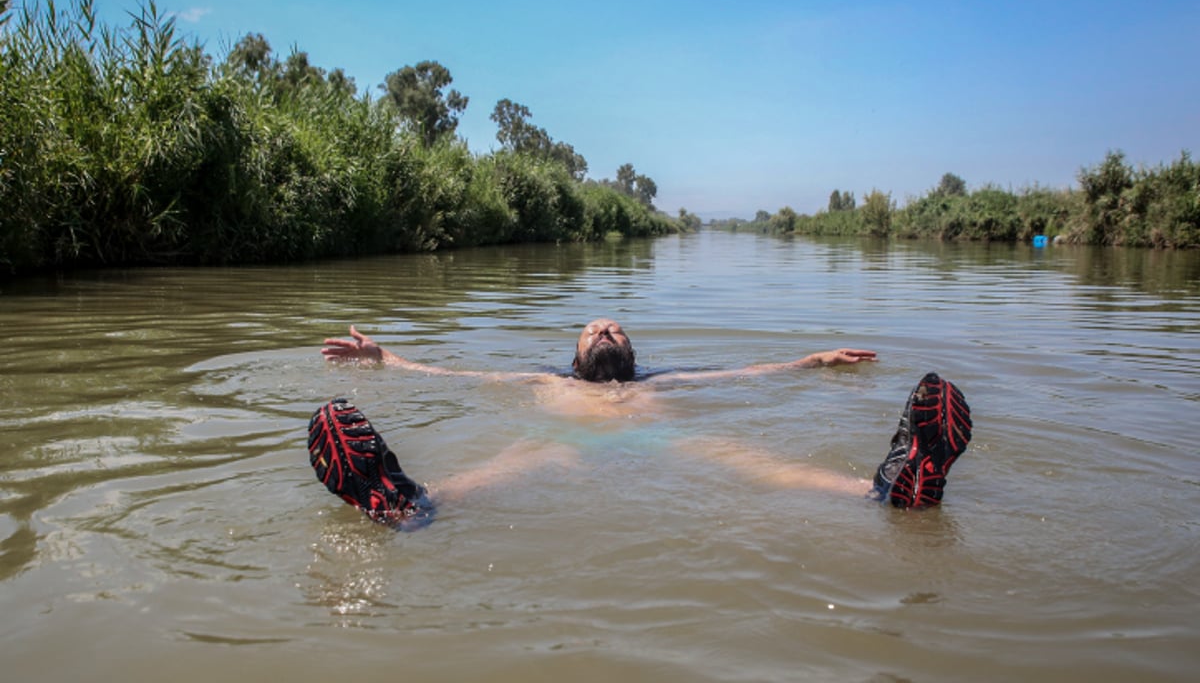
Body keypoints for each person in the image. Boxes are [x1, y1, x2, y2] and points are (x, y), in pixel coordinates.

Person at [307, 320, 972, 528]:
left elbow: (745, 373)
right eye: (593, 329)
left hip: (664, 441)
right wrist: (385, 358)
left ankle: (890, 490)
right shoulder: (546, 383)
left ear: (630, 354)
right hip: (564, 441)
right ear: (572, 356)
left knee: (758, 465)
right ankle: (403, 503)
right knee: (507, 466)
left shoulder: (659, 381)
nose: (604, 330)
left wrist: (813, 359)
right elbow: (452, 378)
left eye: (615, 329)